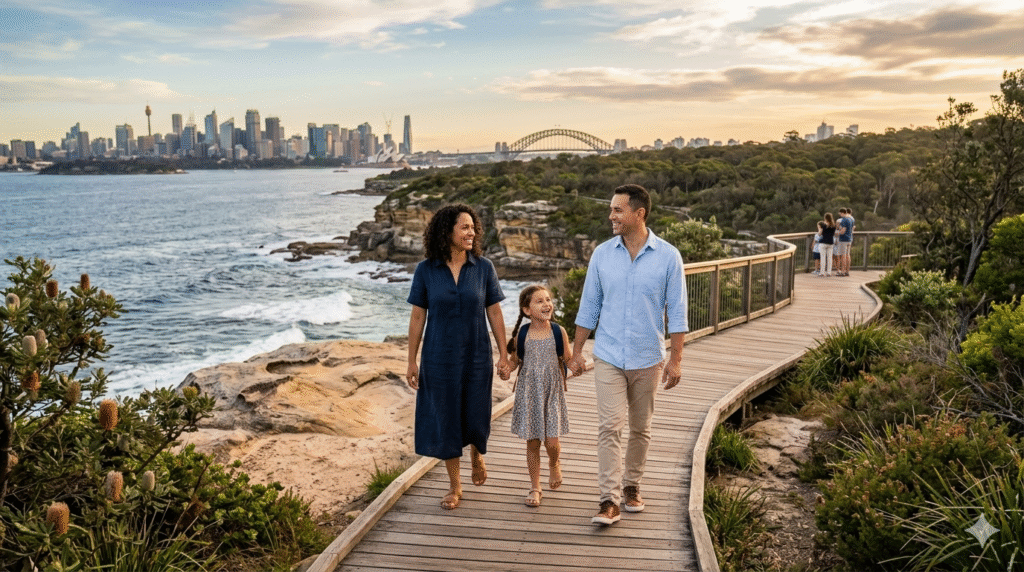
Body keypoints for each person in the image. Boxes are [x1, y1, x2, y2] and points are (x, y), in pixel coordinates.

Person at [566, 184, 688, 526]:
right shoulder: (602, 255)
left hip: (649, 356)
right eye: (611, 209)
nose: (611, 216)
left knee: (641, 428)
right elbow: (588, 306)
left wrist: (676, 359)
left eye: (618, 210)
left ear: (639, 214)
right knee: (609, 426)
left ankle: (632, 485)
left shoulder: (668, 257)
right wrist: (576, 353)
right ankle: (608, 499)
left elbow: (677, 312)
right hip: (608, 354)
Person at [405, 203, 511, 510]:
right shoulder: (426, 270)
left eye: (473, 227)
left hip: (476, 355)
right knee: (446, 418)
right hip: (438, 357)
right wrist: (411, 360)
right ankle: (455, 485)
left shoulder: (483, 267)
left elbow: (494, 311)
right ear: (446, 231)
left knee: (476, 412)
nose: (472, 232)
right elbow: (416, 318)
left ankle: (477, 453)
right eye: (464, 227)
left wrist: (503, 354)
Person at [506, 284, 573, 508]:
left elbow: (569, 359)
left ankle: (554, 463)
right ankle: (535, 487)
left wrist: (578, 365)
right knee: (533, 442)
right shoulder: (522, 334)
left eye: (548, 300)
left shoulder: (558, 331)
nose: (546, 304)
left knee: (552, 441)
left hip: (552, 391)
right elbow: (515, 362)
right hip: (529, 393)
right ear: (527, 310)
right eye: (539, 301)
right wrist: (506, 369)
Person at [836, 208, 855, 276]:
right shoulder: (851, 219)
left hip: (843, 239)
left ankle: (843, 272)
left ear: (842, 213)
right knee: (848, 255)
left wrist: (837, 233)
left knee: (843, 255)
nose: (840, 215)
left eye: (840, 214)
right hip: (849, 239)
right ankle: (847, 271)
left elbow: (843, 231)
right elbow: (852, 228)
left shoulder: (844, 220)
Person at [819, 212, 836, 277]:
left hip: (823, 242)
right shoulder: (833, 225)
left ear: (825, 218)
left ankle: (822, 272)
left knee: (823, 258)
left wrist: (819, 229)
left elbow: (820, 233)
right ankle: (829, 272)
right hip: (830, 243)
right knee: (829, 258)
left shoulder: (823, 225)